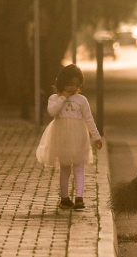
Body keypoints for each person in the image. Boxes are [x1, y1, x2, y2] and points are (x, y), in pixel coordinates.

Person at [36, 64, 102, 210]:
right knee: (65, 167)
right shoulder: (54, 98)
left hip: (78, 136)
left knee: (79, 166)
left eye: (76, 85)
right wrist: (63, 97)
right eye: (70, 84)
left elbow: (89, 119)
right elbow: (52, 112)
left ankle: (79, 197)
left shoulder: (81, 100)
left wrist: (96, 137)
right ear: (62, 82)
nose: (73, 88)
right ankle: (65, 198)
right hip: (61, 137)